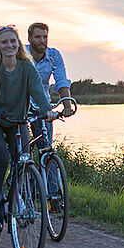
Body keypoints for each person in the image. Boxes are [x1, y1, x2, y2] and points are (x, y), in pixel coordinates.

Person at [0, 25, 59, 230]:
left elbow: (38, 92)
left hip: (18, 121)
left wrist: (48, 111)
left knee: (23, 159)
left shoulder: (26, 68)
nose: (9, 45)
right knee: (2, 160)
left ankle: (16, 199)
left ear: (18, 43)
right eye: (4, 42)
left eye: (13, 41)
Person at [25, 22, 75, 206]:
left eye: (45, 36)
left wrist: (67, 103)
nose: (42, 40)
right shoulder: (21, 54)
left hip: (43, 107)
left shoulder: (53, 55)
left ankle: (54, 197)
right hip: (21, 106)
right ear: (29, 38)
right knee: (23, 150)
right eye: (38, 37)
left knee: (46, 149)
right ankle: (23, 188)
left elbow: (61, 80)